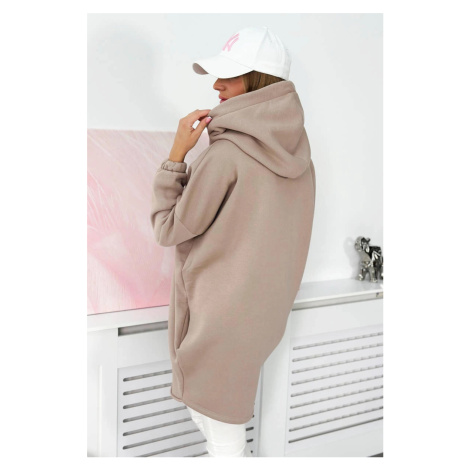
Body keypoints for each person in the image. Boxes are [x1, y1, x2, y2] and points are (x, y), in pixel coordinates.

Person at [150, 26, 316, 458]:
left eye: (229, 75)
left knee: (223, 443)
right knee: (225, 434)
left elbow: (167, 229)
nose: (216, 86)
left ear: (257, 80)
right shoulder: (301, 158)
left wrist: (176, 155)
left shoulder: (226, 155)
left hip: (216, 325)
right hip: (261, 320)